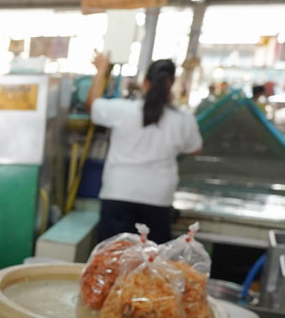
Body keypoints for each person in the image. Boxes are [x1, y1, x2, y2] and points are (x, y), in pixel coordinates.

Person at [85, 53, 202, 243]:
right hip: (158, 197)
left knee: (113, 259)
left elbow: (92, 106)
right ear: (171, 83)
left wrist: (101, 70)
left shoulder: (123, 110)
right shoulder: (183, 120)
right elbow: (194, 148)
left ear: (145, 82)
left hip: (119, 192)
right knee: (150, 262)